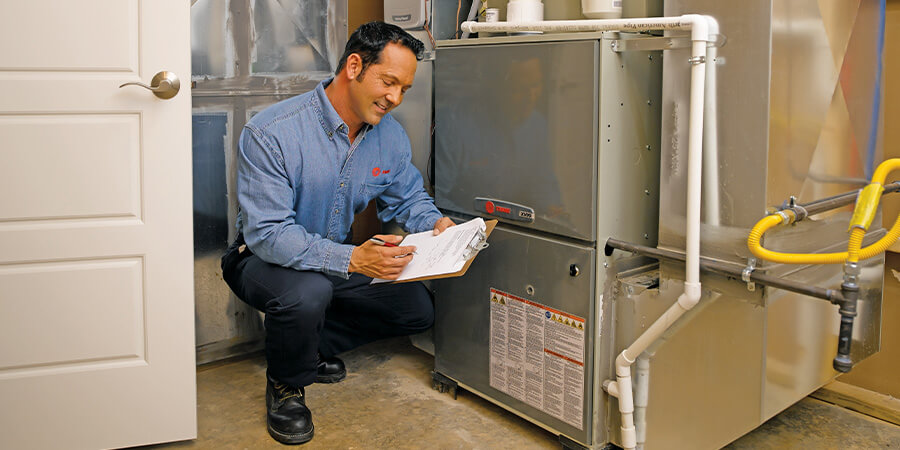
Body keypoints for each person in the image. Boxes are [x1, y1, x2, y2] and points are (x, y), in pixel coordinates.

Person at [221, 22, 454, 445]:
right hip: (259, 259)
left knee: (416, 309)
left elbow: (407, 199)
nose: (395, 99)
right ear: (353, 66)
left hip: (334, 259)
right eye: (388, 82)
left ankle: (303, 345)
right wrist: (352, 259)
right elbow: (269, 234)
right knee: (306, 293)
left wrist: (437, 225)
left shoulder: (390, 137)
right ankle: (287, 384)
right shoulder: (272, 132)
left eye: (405, 88)